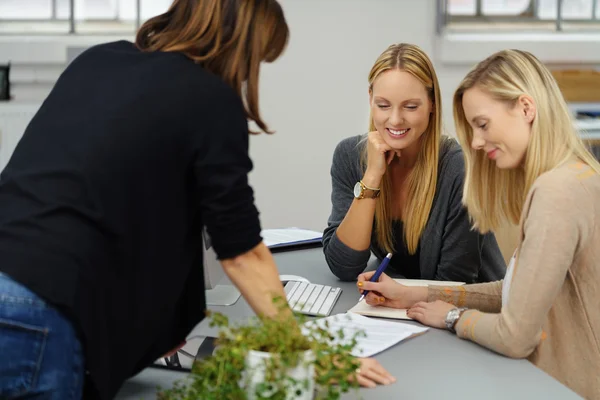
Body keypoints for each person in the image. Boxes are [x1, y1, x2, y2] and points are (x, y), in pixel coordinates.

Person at [0, 1, 393, 399]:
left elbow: (114, 211)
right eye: (257, 58)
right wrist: (308, 353)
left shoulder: (99, 60)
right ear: (241, 46)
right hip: (39, 312)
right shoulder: (210, 100)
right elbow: (240, 251)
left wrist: (158, 324)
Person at [356, 49, 600, 400]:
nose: (475, 142)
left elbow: (516, 335)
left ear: (526, 109)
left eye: (482, 124)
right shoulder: (576, 173)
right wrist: (415, 294)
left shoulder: (556, 192)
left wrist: (454, 318)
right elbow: (511, 294)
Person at [323, 43, 506, 283]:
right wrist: (372, 177)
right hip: (407, 308)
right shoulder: (349, 155)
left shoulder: (459, 169)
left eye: (410, 107)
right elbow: (344, 265)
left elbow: (453, 284)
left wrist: (399, 296)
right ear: (370, 99)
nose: (396, 120)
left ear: (432, 104)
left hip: (471, 312)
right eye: (383, 105)